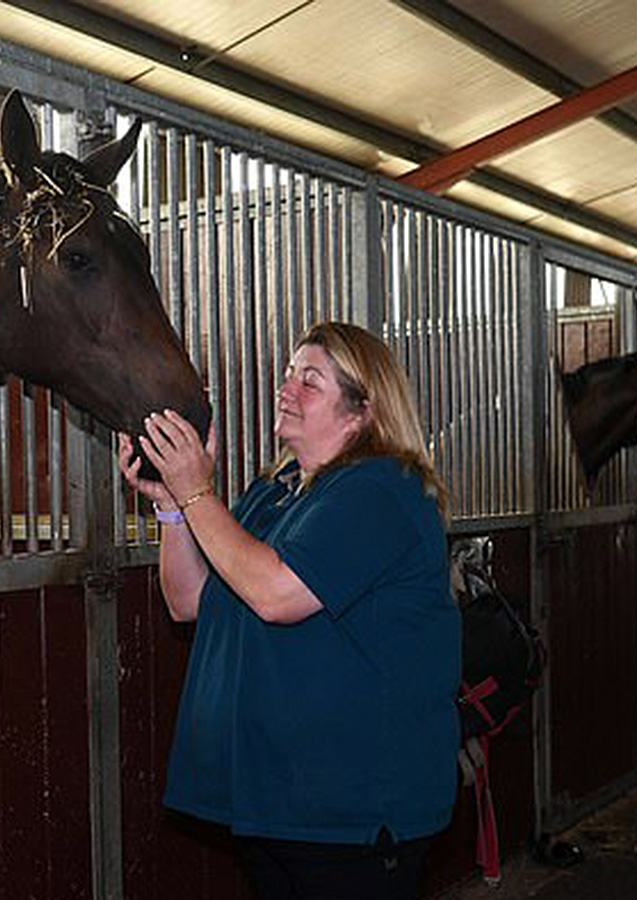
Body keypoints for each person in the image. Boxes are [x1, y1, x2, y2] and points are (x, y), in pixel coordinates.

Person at [118, 321, 461, 900]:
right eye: (287, 375)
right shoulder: (274, 493)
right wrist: (174, 509)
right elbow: (188, 602)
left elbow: (275, 595)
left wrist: (198, 490)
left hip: (353, 808)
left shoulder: (382, 490)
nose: (287, 389)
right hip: (284, 802)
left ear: (362, 412)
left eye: (311, 382)